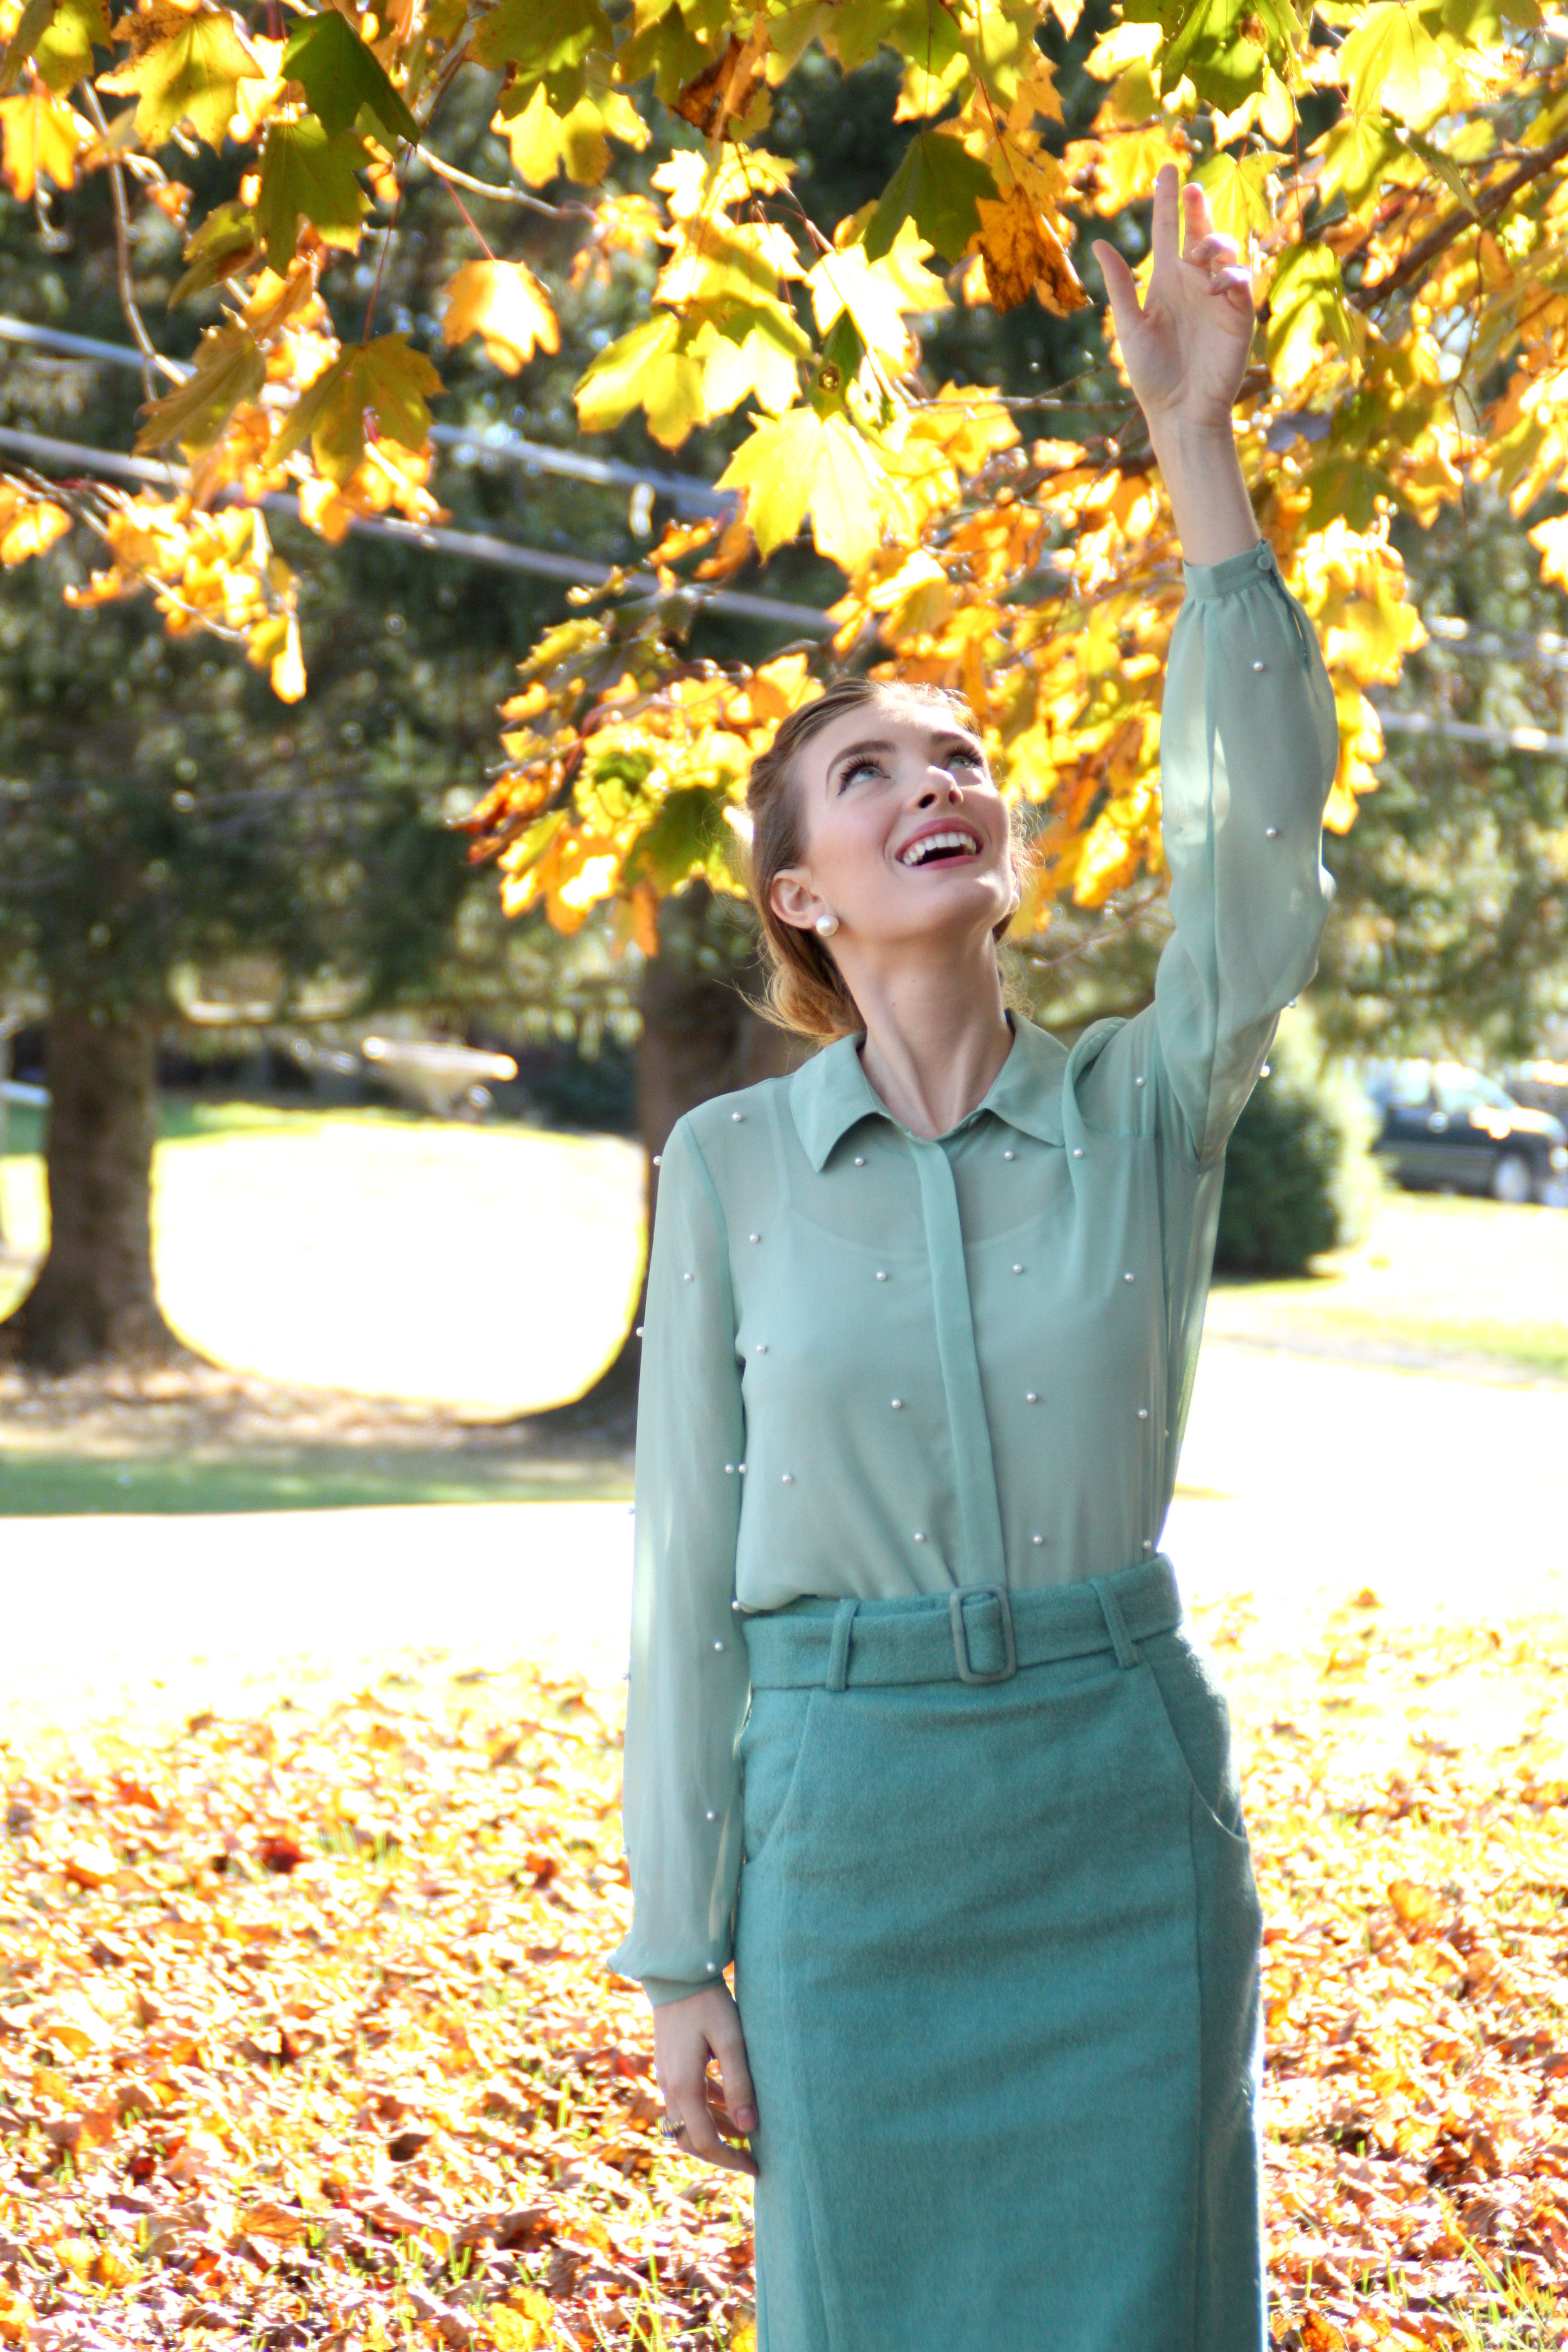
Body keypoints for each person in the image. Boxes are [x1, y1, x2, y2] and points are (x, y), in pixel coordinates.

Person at [611, 166, 1339, 2352]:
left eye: (958, 757)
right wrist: (676, 1950)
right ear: (800, 895)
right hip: (844, 1845)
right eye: (866, 772)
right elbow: (682, 1570)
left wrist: (1193, 447)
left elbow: (1259, 860)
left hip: (1116, 1809)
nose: (932, 780)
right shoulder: (729, 1166)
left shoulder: (1144, 1104)